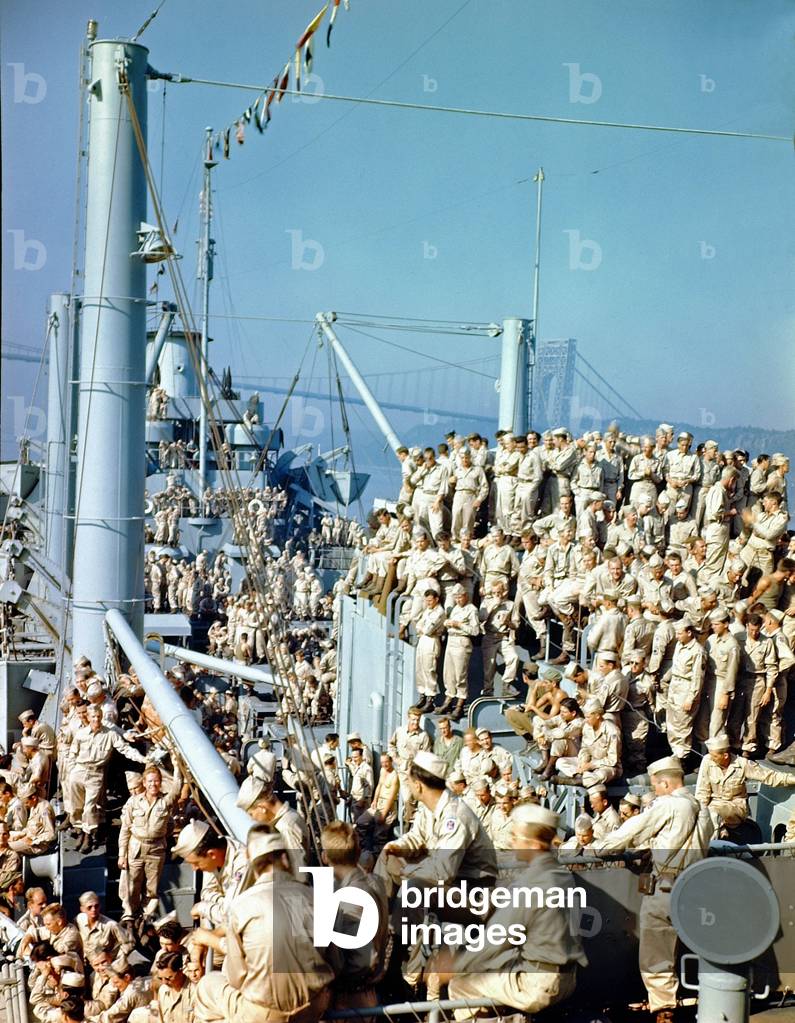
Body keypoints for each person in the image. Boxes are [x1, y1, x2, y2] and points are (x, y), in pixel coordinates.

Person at [594, 756, 712, 1023]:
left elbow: (633, 830)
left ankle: (664, 1009)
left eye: (656, 785)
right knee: (700, 948)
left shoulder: (667, 805)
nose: (655, 791)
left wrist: (600, 848)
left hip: (666, 889)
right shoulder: (702, 808)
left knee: (656, 950)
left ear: (666, 783)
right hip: (696, 887)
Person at [444, 803, 587, 1019]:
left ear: (533, 844)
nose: (512, 841)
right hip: (567, 977)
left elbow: (496, 939)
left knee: (460, 985)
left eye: (516, 836)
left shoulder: (532, 885)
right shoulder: (561, 875)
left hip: (538, 982)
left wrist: (453, 965)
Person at [193, 826, 335, 1023]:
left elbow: (237, 977)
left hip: (266, 1014)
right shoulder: (314, 898)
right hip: (314, 1007)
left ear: (252, 862)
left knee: (207, 985)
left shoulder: (242, 905)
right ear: (285, 858)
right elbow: (334, 960)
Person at [118, 764, 183, 920]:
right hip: (136, 848)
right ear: (144, 783)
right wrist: (122, 855)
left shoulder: (165, 801)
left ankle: (146, 917)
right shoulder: (134, 802)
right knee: (132, 885)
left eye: (156, 781)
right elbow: (125, 829)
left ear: (160, 783)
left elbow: (177, 787)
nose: (153, 784)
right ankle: (131, 915)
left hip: (156, 850)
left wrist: (176, 766)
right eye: (150, 781)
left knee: (151, 889)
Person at [695, 733, 795, 834]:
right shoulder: (707, 760)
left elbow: (770, 777)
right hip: (714, 805)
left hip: (735, 807)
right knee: (704, 815)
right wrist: (699, 811)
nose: (711, 758)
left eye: (714, 756)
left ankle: (712, 846)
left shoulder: (742, 764)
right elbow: (702, 791)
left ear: (725, 755)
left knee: (712, 814)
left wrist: (792, 779)